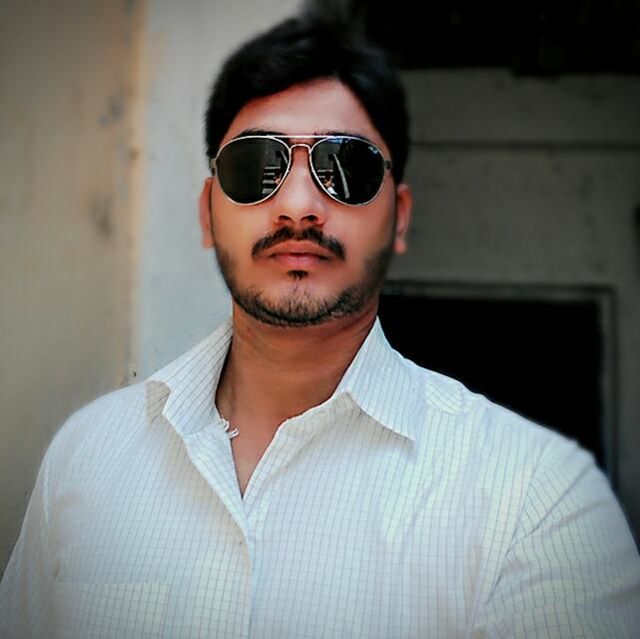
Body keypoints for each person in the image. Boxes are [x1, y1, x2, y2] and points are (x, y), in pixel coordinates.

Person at [2, 12, 639, 639]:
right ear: (207, 212)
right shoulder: (89, 456)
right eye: (256, 166)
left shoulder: (537, 497)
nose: (299, 206)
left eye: (347, 167)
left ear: (399, 216)